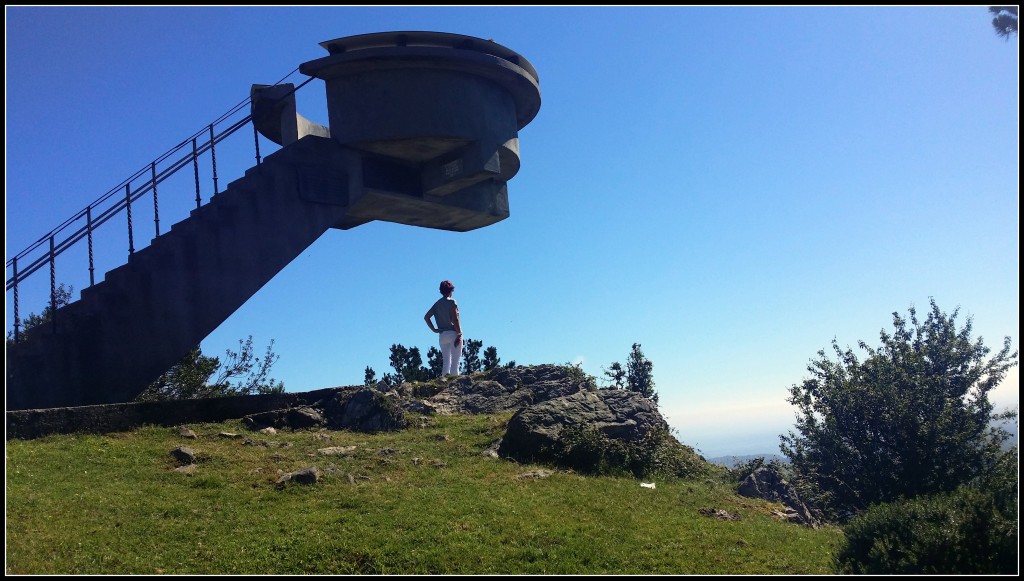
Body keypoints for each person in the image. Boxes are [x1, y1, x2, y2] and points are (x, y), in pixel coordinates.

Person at [424, 280, 463, 376]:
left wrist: (434, 329)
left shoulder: (437, 304)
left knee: (446, 362)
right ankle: (455, 381)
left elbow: (426, 317)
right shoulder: (452, 302)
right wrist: (459, 333)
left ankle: (444, 381)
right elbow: (455, 319)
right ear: (451, 290)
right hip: (453, 333)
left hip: (442, 335)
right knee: (455, 361)